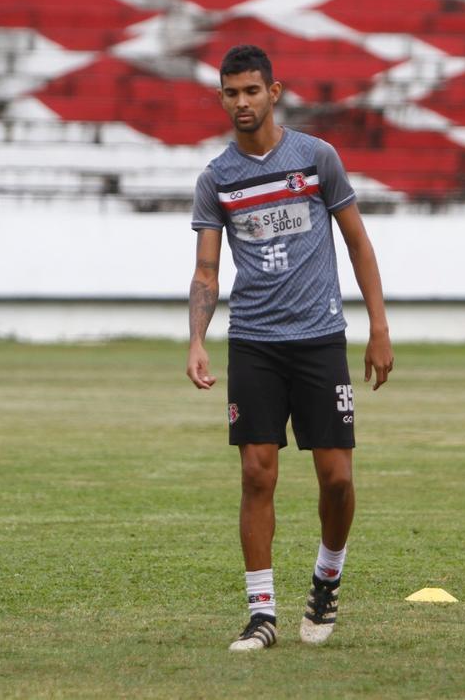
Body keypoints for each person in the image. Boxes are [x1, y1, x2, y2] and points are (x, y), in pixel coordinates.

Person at [187, 44, 394, 652]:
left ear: (274, 93)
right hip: (253, 341)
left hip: (319, 338)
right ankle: (261, 614)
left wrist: (378, 326)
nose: (242, 102)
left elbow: (357, 242)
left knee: (336, 477)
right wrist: (197, 339)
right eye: (232, 93)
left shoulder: (316, 159)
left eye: (253, 91)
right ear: (221, 97)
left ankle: (326, 579)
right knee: (257, 472)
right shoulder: (216, 179)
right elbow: (206, 269)